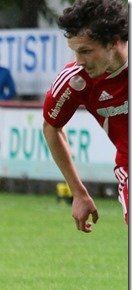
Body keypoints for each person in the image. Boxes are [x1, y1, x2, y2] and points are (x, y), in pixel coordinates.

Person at [42, 0, 128, 232]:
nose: (79, 61)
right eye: (75, 51)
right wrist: (78, 192)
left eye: (86, 51)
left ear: (114, 42)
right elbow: (51, 127)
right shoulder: (76, 80)